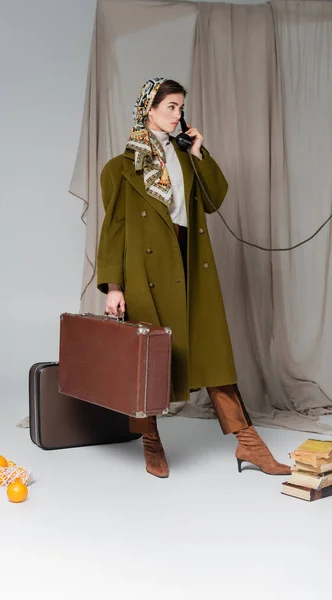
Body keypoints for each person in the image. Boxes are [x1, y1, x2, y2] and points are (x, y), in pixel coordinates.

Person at [96, 77, 290, 479]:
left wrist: (200, 152)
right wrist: (114, 287)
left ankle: (248, 442)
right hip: (146, 272)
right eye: (171, 107)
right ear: (148, 110)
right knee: (147, 361)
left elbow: (216, 199)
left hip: (190, 261)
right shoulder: (119, 168)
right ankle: (151, 441)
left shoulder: (187, 158)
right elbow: (113, 228)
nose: (178, 115)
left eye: (181, 108)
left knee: (211, 353)